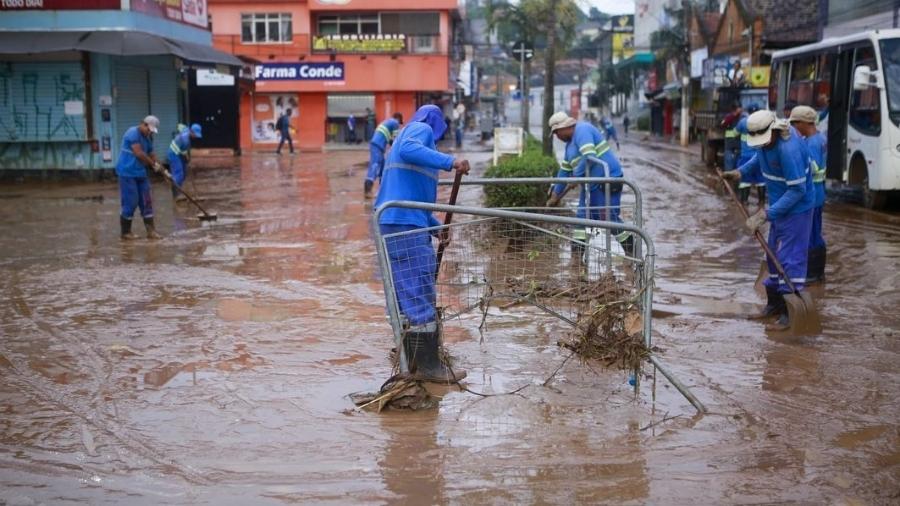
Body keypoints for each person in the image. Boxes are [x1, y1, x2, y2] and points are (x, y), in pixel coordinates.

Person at [374, 104, 471, 383]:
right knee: (418, 289)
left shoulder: (408, 139)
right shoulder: (420, 129)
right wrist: (450, 161)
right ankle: (429, 368)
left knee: (409, 290)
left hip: (401, 220)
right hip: (403, 224)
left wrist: (437, 228)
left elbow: (416, 204)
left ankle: (413, 362)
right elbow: (410, 151)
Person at [723, 110, 815, 331]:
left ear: (773, 130)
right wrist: (739, 172)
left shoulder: (788, 149)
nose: (762, 144)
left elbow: (797, 191)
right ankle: (773, 305)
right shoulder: (765, 144)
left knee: (789, 259)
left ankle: (788, 313)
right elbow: (759, 158)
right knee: (772, 256)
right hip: (779, 207)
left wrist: (765, 215)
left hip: (797, 210)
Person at [545, 111, 634, 257]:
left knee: (607, 217)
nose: (557, 137)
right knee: (582, 219)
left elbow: (589, 156)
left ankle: (631, 250)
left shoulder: (582, 130)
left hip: (606, 180)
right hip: (589, 185)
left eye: (556, 133)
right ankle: (577, 260)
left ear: (563, 128)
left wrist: (575, 176)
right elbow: (564, 171)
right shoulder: (569, 147)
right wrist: (555, 193)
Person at [789, 105, 827, 283]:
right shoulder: (820, 138)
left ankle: (813, 274)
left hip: (813, 196)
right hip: (819, 194)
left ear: (805, 123)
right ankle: (818, 273)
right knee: (815, 232)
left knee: (811, 235)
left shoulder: (811, 143)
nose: (794, 128)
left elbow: (812, 168)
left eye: (795, 124)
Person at [117, 115, 162, 240]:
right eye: (148, 129)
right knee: (131, 201)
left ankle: (151, 231)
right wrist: (153, 164)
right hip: (127, 172)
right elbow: (139, 153)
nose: (149, 132)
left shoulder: (148, 138)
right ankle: (125, 233)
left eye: (151, 131)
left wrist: (162, 168)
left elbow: (151, 154)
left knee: (146, 200)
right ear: (143, 124)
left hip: (140, 173)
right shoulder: (132, 133)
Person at [364, 112, 404, 199]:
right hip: (378, 145)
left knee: (383, 168)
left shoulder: (387, 122)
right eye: (400, 122)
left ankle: (383, 191)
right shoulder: (395, 123)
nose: (399, 125)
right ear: (399, 119)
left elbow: (390, 140)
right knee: (375, 166)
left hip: (378, 145)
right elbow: (395, 141)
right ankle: (368, 189)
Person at [734, 104, 766, 206]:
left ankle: (744, 201)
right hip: (759, 156)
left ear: (748, 111)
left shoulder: (743, 122)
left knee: (745, 180)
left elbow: (735, 133)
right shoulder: (762, 123)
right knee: (761, 180)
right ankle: (761, 202)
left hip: (746, 156)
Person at [167, 123, 202, 201]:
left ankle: (178, 189)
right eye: (195, 134)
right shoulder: (185, 139)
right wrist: (187, 159)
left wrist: (187, 160)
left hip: (180, 153)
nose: (196, 136)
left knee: (184, 173)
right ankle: (175, 194)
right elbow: (183, 152)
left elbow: (180, 126)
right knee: (179, 173)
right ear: (191, 131)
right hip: (174, 154)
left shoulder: (187, 130)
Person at [721, 102, 744, 171]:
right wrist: (733, 116)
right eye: (739, 108)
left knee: (738, 160)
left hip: (739, 142)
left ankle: (736, 173)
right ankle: (729, 174)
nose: (740, 110)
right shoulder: (729, 117)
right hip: (729, 143)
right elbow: (722, 124)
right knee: (729, 160)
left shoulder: (742, 117)